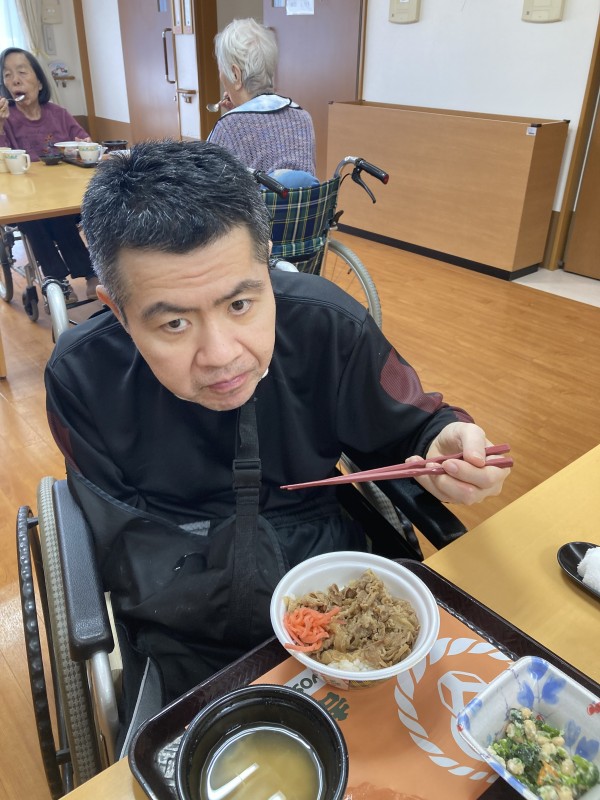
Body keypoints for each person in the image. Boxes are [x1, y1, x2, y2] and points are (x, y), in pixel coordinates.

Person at [45, 139, 509, 736]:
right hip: (182, 592)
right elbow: (122, 538)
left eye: (241, 303)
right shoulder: (83, 376)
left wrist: (445, 439)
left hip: (332, 575)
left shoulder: (327, 325)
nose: (221, 355)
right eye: (175, 322)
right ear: (116, 308)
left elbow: (413, 427)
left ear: (267, 263)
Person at [0, 48, 99, 301]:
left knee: (60, 214)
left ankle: (90, 273)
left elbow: (83, 141)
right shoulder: (6, 119)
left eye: (22, 72)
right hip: (25, 199)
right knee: (35, 218)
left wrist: (84, 146)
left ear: (40, 81)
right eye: (8, 75)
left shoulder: (59, 115)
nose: (15, 80)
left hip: (62, 194)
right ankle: (56, 279)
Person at [207, 17, 317, 184]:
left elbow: (207, 190)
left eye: (221, 69)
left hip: (253, 203)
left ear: (236, 75)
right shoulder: (303, 119)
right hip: (302, 203)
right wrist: (239, 112)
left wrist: (235, 119)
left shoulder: (227, 128)